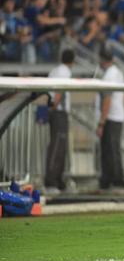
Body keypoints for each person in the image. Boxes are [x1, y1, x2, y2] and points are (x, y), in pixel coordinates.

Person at [96, 47, 124, 193]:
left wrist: (102, 122)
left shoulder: (109, 75)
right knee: (112, 150)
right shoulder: (118, 72)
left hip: (111, 116)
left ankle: (116, 182)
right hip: (117, 114)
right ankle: (109, 180)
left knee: (111, 151)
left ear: (102, 59)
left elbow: (107, 99)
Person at [44, 48, 75, 194]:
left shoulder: (55, 70)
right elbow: (60, 91)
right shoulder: (64, 72)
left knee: (59, 146)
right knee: (57, 147)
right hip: (59, 112)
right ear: (72, 61)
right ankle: (51, 182)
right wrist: (56, 105)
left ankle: (58, 181)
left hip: (55, 111)